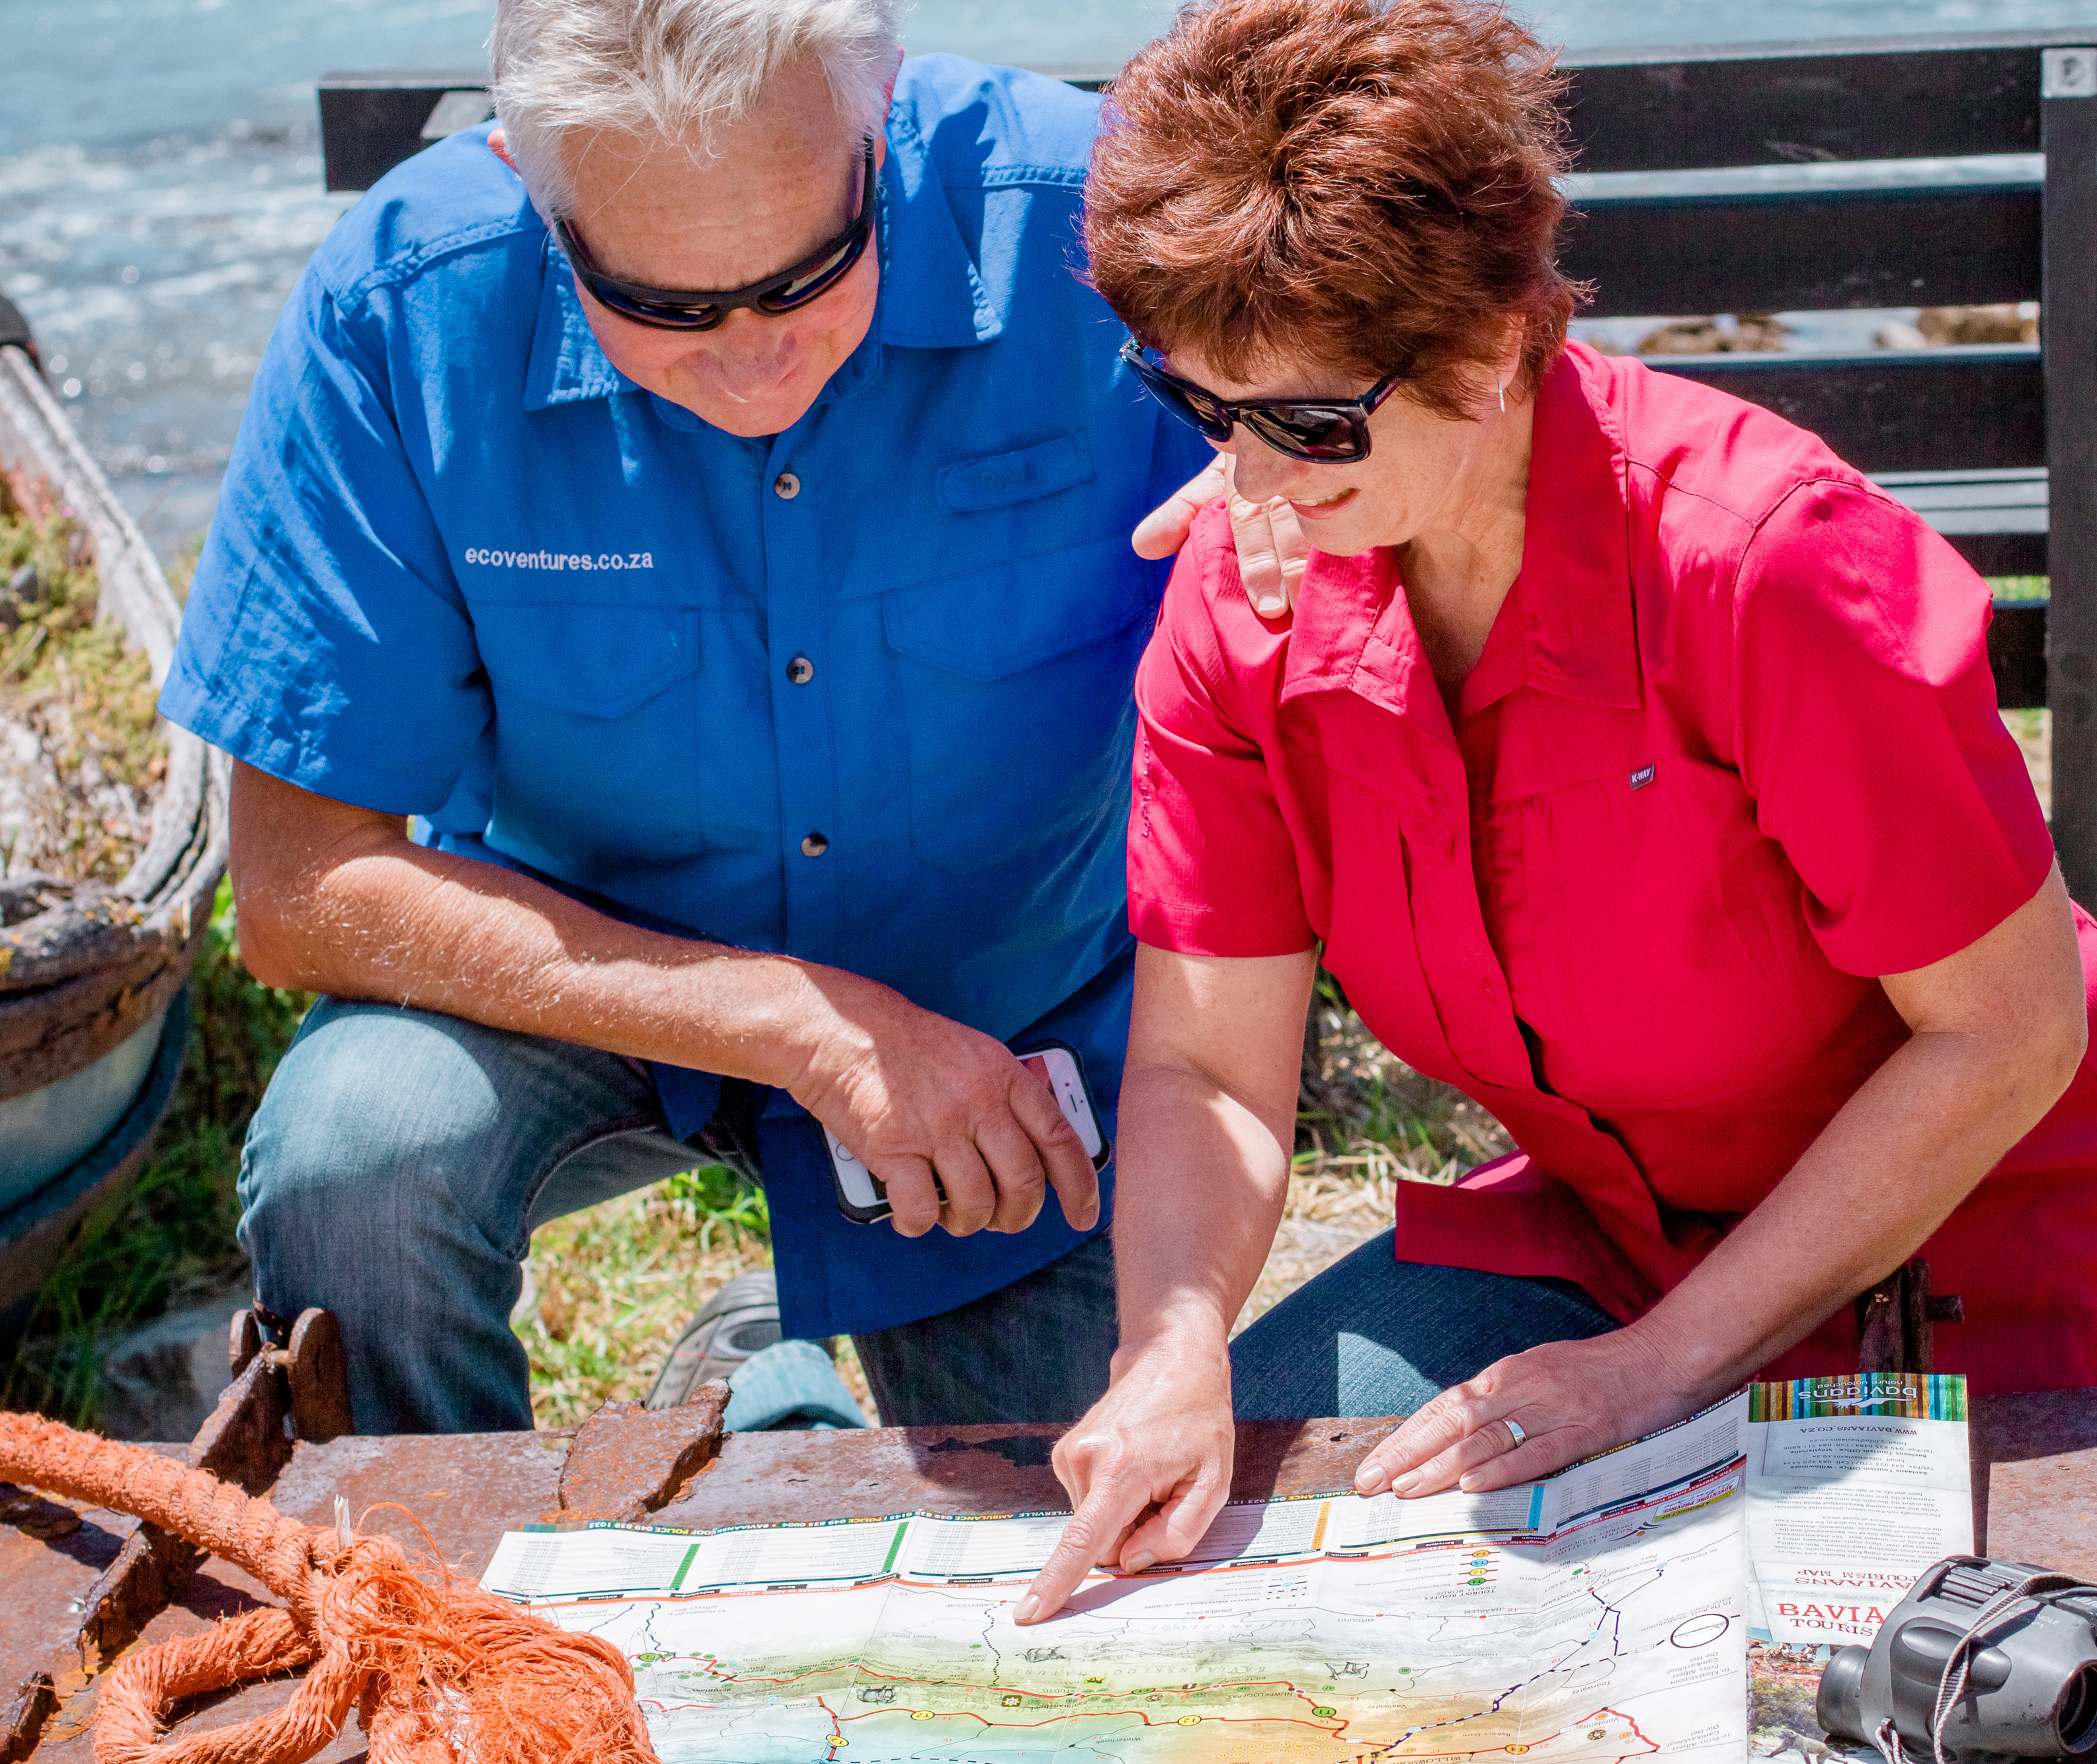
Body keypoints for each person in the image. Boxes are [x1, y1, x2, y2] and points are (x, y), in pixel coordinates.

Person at [1017, 0, 2097, 1618]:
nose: (1248, 480)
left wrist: (1658, 1371)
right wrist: (1168, 1348)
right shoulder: (1240, 598)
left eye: (1307, 423)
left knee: (1890, 1697)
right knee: (1229, 1566)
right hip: (1609, 1248)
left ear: (1488, 344)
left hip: (2007, 1259)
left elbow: (2004, 1033)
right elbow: (1203, 1066)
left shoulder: (1767, 566)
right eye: (1198, 406)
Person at [159, 0, 1307, 1435]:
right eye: (667, 310)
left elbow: (1459, 417)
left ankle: (761, 1380)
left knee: (1054, 1510)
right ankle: (441, 1568)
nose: (757, 366)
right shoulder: (397, 305)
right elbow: (295, 887)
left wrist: (1303, 483)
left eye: (808, 274)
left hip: (1012, 1015)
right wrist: (794, 1024)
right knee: (354, 1159)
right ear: (530, 183)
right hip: (584, 974)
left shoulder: (1111, 219)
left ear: (879, 113)